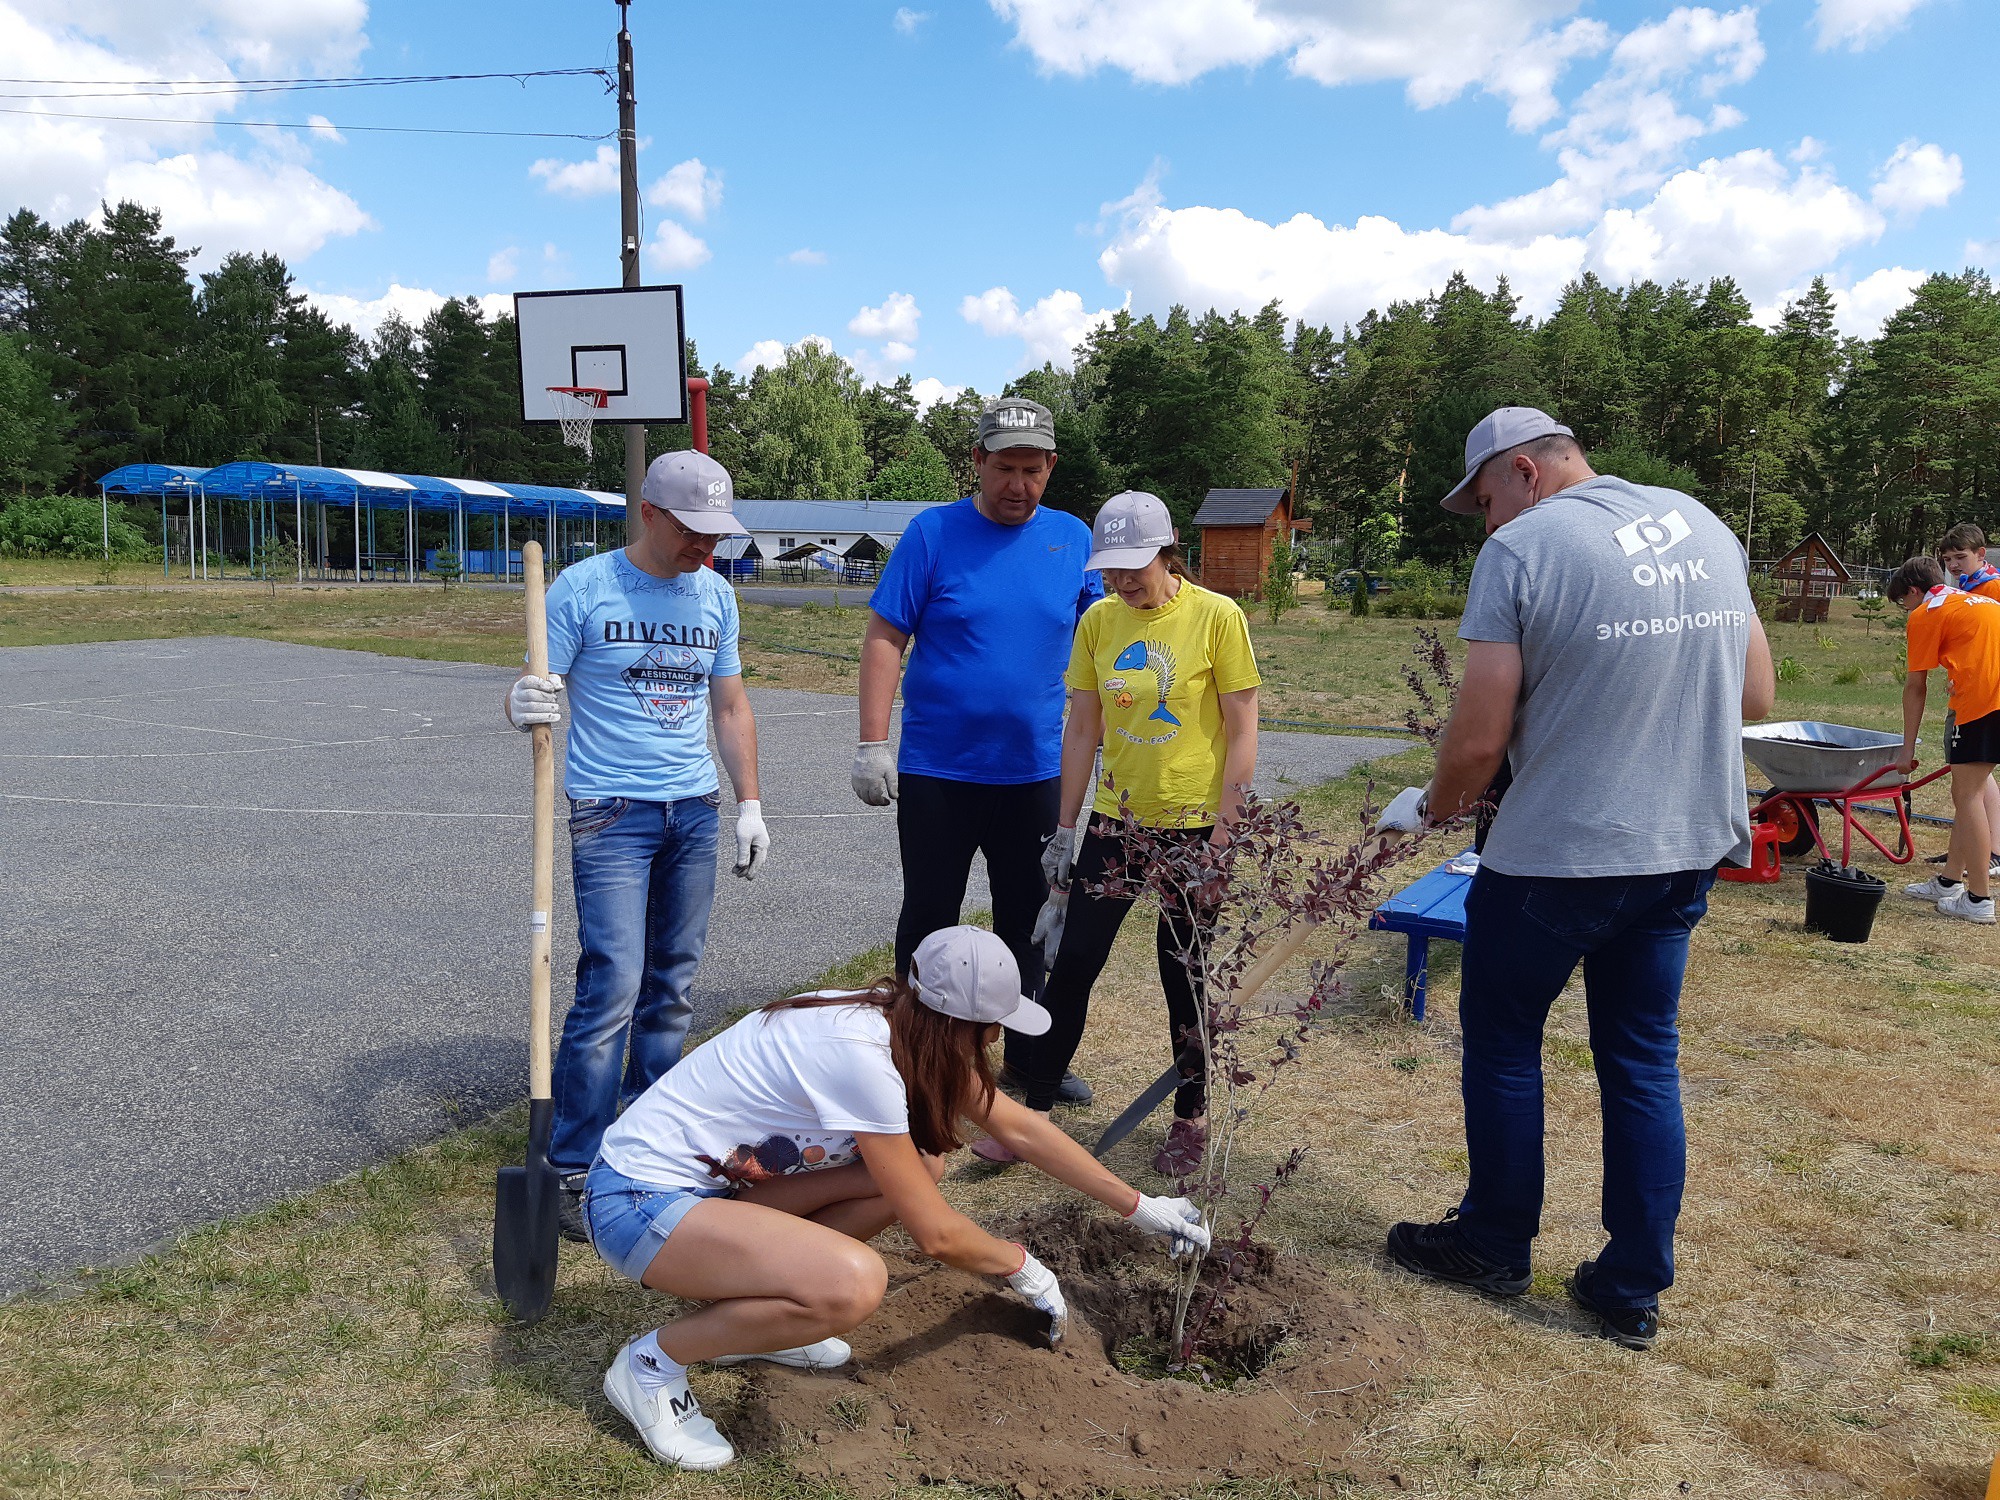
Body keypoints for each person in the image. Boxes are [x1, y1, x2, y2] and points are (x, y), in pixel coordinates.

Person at [1382, 407, 1775, 1352]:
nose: (1487, 523)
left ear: (1522, 470)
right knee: (1642, 1059)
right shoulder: (1702, 524)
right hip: (1684, 848)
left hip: (1561, 855)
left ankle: (1494, 1241)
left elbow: (1477, 742)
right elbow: (1756, 696)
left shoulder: (1523, 553)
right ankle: (1630, 1285)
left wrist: (1429, 806)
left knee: (1505, 1038)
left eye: (1484, 501)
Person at [584, 925, 1211, 1470]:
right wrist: (1021, 1267)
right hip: (637, 1204)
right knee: (853, 1284)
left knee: (922, 1166)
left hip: (712, 1197)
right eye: (992, 1028)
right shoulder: (860, 1057)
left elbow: (1018, 1127)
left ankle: (759, 1313)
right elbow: (934, 1234)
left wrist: (1140, 1206)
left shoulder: (899, 1019)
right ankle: (650, 1365)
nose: (995, 1041)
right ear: (961, 1024)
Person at [504, 449, 771, 1239]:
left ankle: (651, 1146)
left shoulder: (716, 595)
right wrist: (520, 702)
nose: (707, 548)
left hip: (692, 809)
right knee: (613, 981)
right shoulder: (583, 588)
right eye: (694, 531)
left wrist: (748, 803)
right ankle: (575, 1162)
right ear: (650, 513)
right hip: (610, 812)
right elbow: (535, 689)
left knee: (675, 985)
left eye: (717, 533)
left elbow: (729, 706)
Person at [976, 492, 1259, 1176]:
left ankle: (1189, 1117)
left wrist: (1225, 835)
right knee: (1072, 967)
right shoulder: (1099, 622)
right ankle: (1035, 1113)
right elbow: (1082, 726)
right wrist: (1066, 828)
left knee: (1181, 974)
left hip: (1194, 830)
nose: (1124, 581)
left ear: (1168, 554)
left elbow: (1244, 727)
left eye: (1136, 566)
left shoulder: (1218, 617)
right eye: (1111, 569)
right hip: (1118, 824)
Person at [854, 396, 1103, 1105]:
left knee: (1029, 921)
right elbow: (883, 639)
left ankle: (1028, 1068)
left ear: (1051, 468)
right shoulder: (932, 534)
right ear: (978, 464)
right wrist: (874, 743)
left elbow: (1102, 640)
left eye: (1031, 469)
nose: (1017, 484)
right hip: (939, 772)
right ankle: (916, 1069)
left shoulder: (1073, 539)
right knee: (930, 917)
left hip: (1034, 774)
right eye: (1003, 468)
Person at [1887, 555, 2000, 924]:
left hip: (1981, 706)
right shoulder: (1979, 600)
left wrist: (1906, 751)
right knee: (1970, 793)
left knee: (1967, 798)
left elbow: (1915, 687)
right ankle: (1950, 880)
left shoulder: (1926, 613)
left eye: (1904, 601)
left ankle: (1979, 898)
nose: (1906, 610)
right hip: (1992, 700)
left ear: (1915, 591)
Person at [1932, 524, 2000, 879]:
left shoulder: (1992, 587)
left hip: (1988, 697)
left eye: (1961, 557)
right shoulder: (1969, 586)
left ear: (1980, 554)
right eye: (1948, 559)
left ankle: (1989, 851)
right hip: (1972, 690)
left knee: (1972, 776)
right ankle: (1981, 846)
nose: (1955, 565)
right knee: (1978, 776)